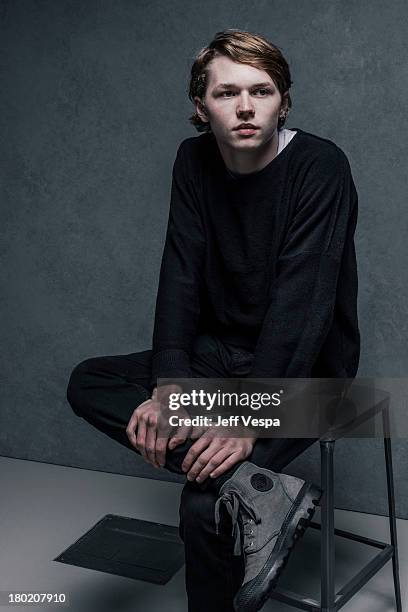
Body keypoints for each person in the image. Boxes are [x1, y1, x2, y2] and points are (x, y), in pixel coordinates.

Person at [67, 29, 360, 612]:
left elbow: (300, 312)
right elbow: (180, 273)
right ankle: (260, 492)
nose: (247, 107)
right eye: (227, 93)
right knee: (91, 381)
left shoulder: (319, 166)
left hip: (305, 375)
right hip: (218, 359)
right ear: (201, 107)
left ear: (284, 101)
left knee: (203, 502)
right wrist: (172, 386)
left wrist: (248, 419)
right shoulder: (193, 159)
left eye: (263, 91)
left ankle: (240, 491)